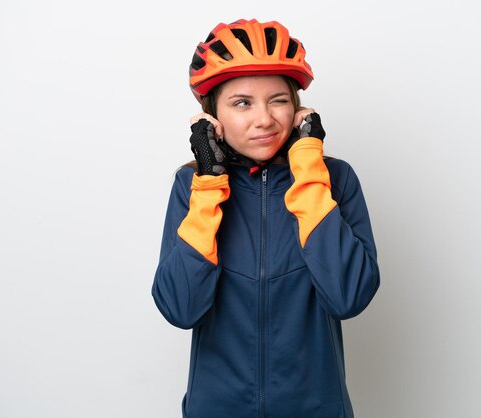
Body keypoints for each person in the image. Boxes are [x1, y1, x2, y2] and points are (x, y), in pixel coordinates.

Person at [152, 18, 380, 418]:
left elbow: (349, 296)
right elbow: (180, 307)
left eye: (278, 100)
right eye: (242, 102)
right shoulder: (192, 185)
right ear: (212, 116)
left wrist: (308, 168)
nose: (265, 119)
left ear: (298, 108)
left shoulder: (334, 178)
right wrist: (208, 187)